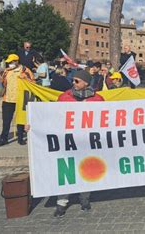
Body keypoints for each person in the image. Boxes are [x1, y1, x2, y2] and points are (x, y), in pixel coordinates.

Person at [53, 70, 105, 217]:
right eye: (73, 80)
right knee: (67, 169)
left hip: (88, 140)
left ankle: (84, 198)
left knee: (86, 168)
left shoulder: (97, 99)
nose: (73, 84)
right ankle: (61, 202)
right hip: (68, 140)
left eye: (77, 81)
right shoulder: (64, 97)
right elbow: (52, 116)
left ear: (86, 83)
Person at [0, 54, 34, 146]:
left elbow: (33, 83)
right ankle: (4, 138)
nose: (9, 64)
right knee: (6, 121)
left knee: (21, 121)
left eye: (11, 62)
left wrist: (26, 78)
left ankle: (20, 138)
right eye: (9, 62)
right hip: (7, 99)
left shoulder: (25, 70)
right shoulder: (6, 71)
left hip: (21, 100)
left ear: (16, 61)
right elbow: (3, 83)